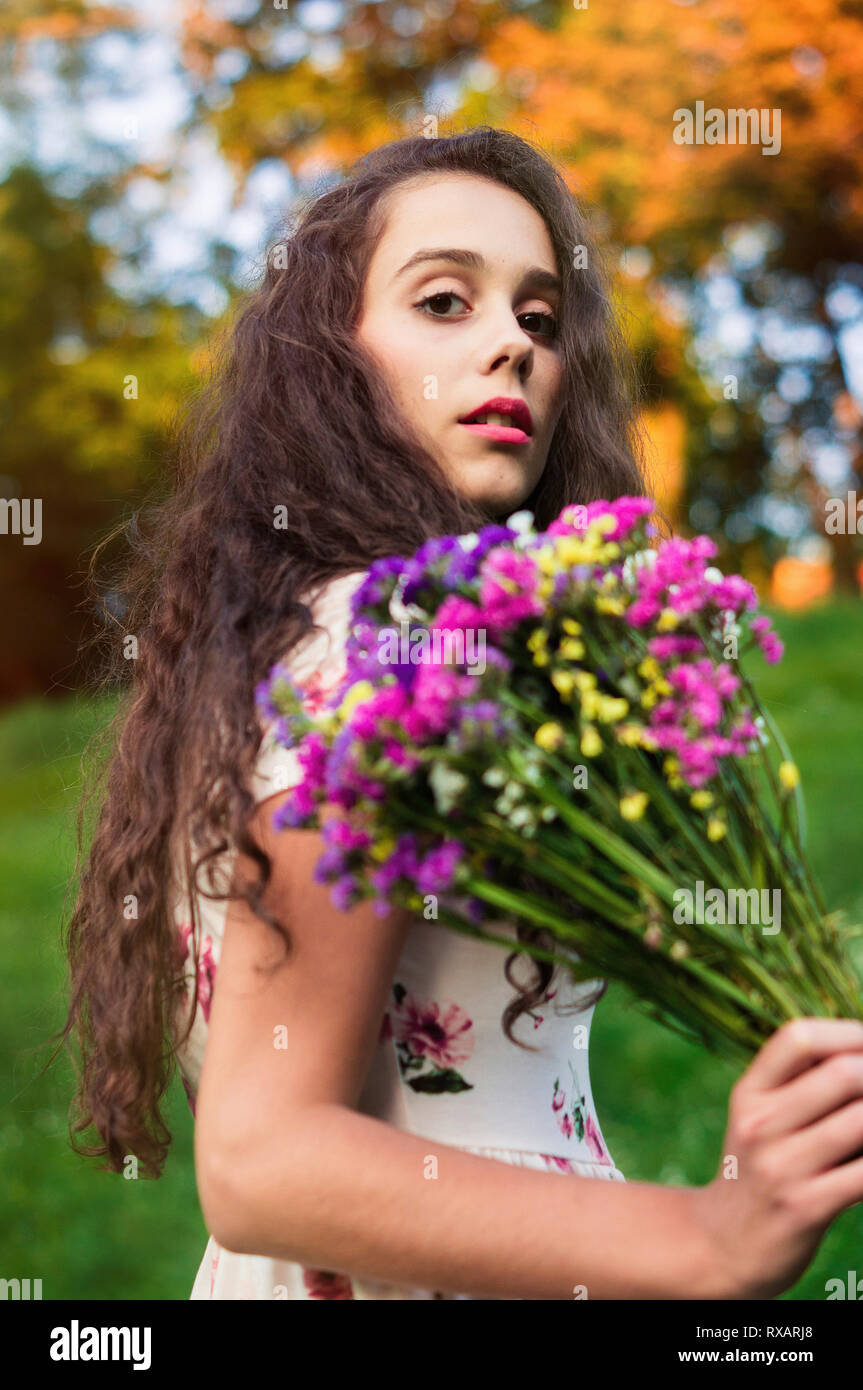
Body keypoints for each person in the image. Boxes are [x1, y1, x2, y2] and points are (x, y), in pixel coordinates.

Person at [56, 127, 863, 1300]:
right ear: (327, 359)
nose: (512, 347)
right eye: (444, 301)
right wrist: (706, 1238)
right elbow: (263, 1158)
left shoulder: (329, 639)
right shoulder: (372, 645)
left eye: (540, 320)